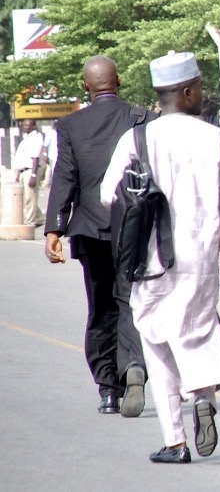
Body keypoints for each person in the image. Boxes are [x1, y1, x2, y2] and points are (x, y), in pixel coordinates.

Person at [99, 51, 220, 463]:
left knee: (157, 341)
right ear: (186, 92)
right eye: (199, 87)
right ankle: (201, 396)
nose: (202, 93)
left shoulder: (137, 138)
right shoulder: (213, 137)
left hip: (149, 260)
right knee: (198, 329)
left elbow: (108, 195)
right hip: (199, 255)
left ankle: (175, 441)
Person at [43, 55, 155, 417]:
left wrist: (54, 229)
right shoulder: (142, 117)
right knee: (131, 301)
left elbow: (66, 177)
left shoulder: (71, 125)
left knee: (100, 307)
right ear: (118, 80)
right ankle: (134, 365)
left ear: (85, 85)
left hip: (90, 229)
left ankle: (108, 389)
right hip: (135, 228)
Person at [13, 119, 47, 226]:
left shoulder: (36, 138)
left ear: (33, 126)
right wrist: (18, 174)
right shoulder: (25, 139)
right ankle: (39, 218)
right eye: (23, 125)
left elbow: (35, 158)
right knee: (26, 197)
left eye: (27, 125)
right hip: (23, 171)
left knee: (30, 198)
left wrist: (33, 175)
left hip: (30, 171)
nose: (24, 127)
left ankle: (30, 222)